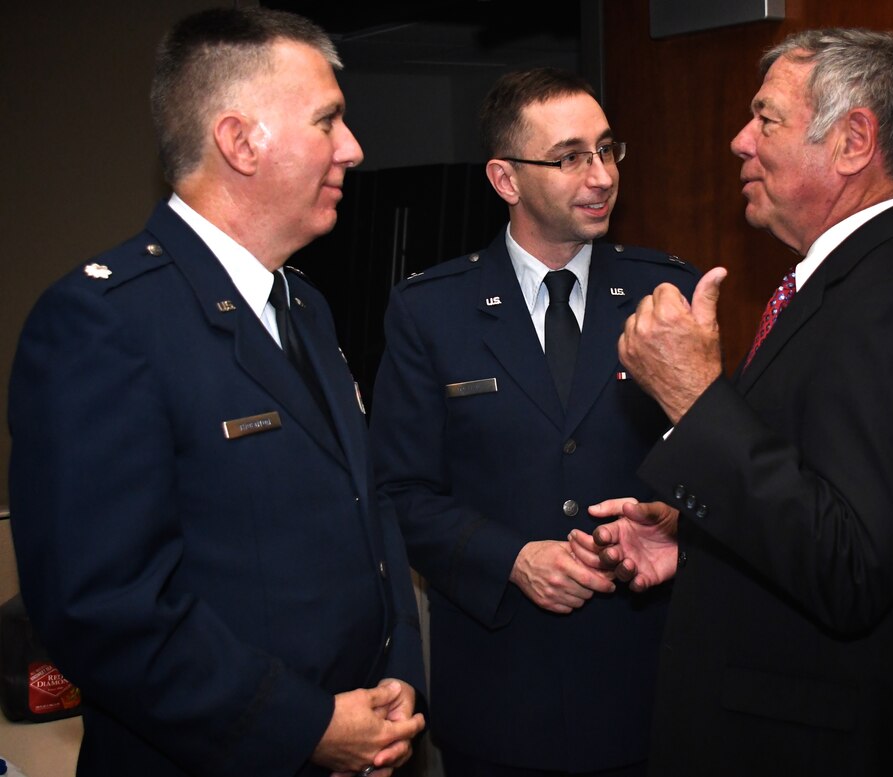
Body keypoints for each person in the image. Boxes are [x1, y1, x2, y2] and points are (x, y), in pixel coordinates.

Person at [570, 28, 893, 776]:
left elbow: (849, 569)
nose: (740, 140)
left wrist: (693, 396)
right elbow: (818, 498)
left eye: (766, 118)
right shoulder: (843, 287)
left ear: (852, 141)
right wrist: (698, 539)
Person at [8, 8, 426, 777]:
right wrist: (308, 725)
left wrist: (399, 674)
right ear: (240, 142)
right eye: (329, 120)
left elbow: (370, 509)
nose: (354, 148)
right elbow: (104, 611)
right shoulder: (103, 321)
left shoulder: (305, 306)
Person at [368, 68, 700, 777]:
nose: (602, 174)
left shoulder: (666, 292)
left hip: (646, 693)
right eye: (570, 156)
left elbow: (718, 470)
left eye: (609, 150)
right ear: (505, 178)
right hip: (500, 698)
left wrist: (677, 516)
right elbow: (398, 493)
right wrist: (511, 558)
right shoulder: (431, 310)